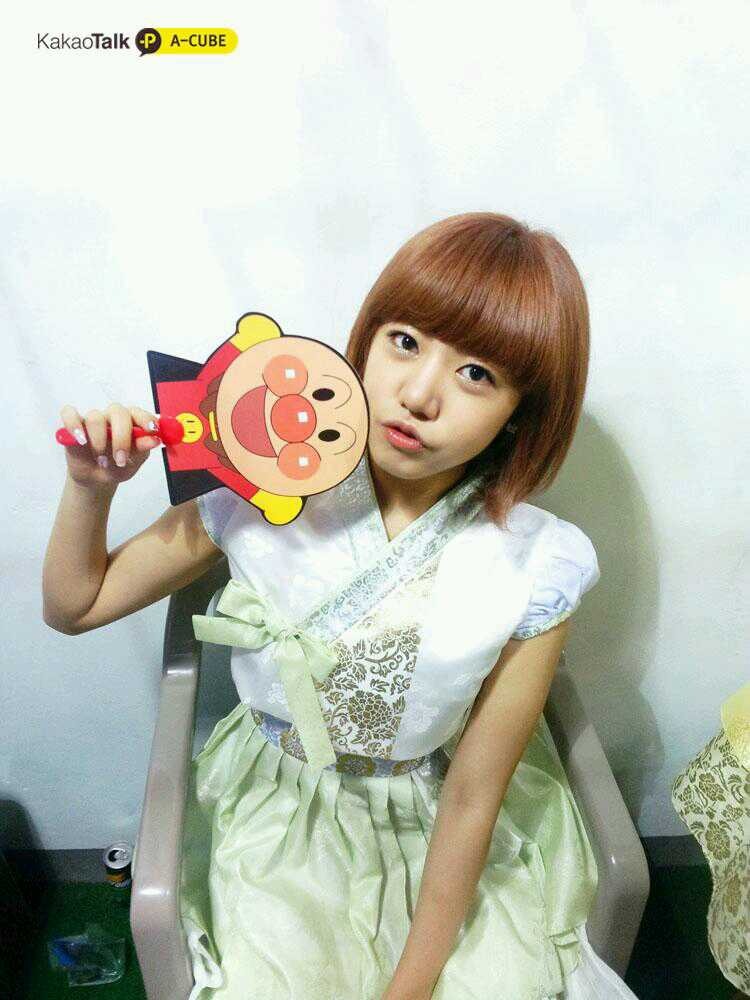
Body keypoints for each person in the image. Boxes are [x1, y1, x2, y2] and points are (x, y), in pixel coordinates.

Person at [43, 212, 639, 999]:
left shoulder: (537, 563)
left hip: (437, 821)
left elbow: (472, 797)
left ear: (521, 412)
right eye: (405, 341)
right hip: (274, 813)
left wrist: (410, 987)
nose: (419, 394)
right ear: (364, 341)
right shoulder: (258, 483)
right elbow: (75, 607)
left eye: (476, 374)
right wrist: (90, 489)